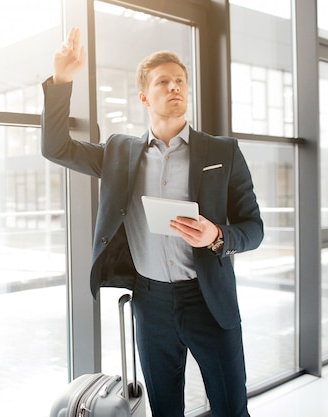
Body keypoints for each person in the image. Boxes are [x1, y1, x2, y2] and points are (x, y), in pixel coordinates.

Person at [41, 27, 264, 417]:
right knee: (163, 409)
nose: (175, 87)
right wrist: (61, 80)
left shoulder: (222, 152)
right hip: (151, 302)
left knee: (231, 408)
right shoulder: (118, 152)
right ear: (144, 96)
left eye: (180, 81)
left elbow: (254, 228)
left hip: (208, 298)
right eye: (164, 82)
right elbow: (56, 147)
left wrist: (217, 235)